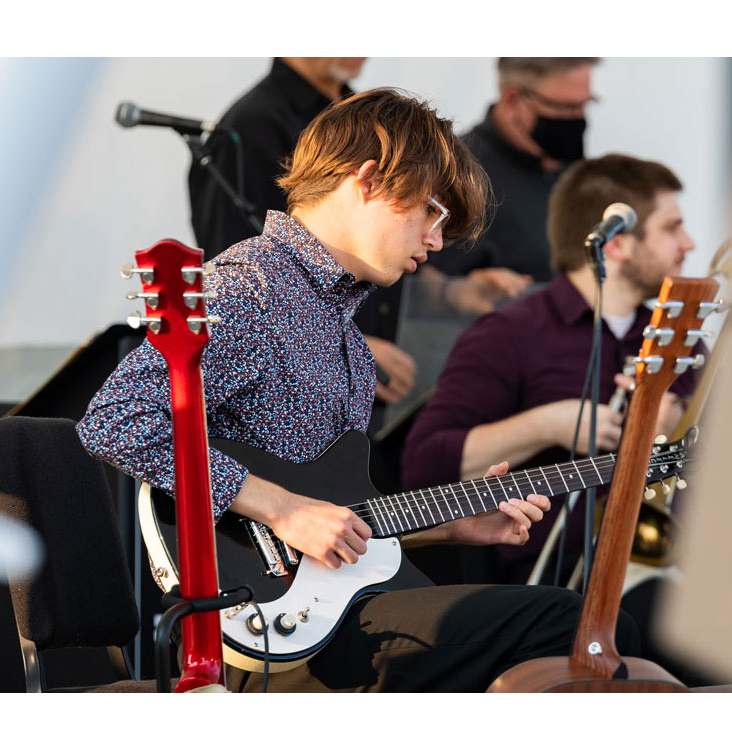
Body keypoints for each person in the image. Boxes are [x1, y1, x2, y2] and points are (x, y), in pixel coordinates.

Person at [79, 89, 639, 692]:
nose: (437, 240)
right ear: (368, 179)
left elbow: (338, 511)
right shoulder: (251, 290)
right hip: (264, 631)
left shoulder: (341, 327)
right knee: (577, 624)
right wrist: (281, 508)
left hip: (339, 609)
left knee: (589, 628)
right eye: (431, 212)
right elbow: (114, 420)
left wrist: (449, 526)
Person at [402, 153, 702, 587]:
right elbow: (423, 469)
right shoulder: (508, 334)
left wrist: (671, 428)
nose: (689, 243)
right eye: (672, 228)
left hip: (669, 570)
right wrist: (545, 426)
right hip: (551, 582)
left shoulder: (680, 340)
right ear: (616, 244)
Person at [187, 57, 415, 424]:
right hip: (290, 405)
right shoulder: (251, 124)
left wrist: (448, 293)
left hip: (366, 388)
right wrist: (341, 343)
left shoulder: (362, 116)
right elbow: (231, 263)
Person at [429, 57, 600, 293]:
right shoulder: (455, 173)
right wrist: (455, 292)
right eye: (565, 108)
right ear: (512, 100)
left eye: (584, 105)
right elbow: (417, 285)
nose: (578, 118)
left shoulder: (577, 170)